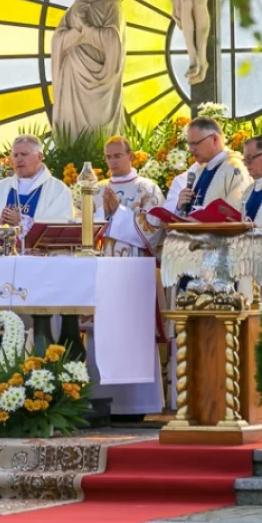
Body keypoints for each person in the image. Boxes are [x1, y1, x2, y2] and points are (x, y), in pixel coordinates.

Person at [90, 136, 167, 416]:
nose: (112, 162)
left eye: (117, 156)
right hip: (101, 271)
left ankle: (136, 404)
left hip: (133, 271)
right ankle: (99, 399)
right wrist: (104, 215)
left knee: (133, 332)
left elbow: (153, 230)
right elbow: (82, 228)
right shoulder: (95, 189)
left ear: (130, 156)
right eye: (108, 157)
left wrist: (117, 214)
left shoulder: (147, 188)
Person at [51, 0, 125, 141]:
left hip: (102, 77)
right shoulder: (75, 9)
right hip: (74, 73)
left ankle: (105, 157)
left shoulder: (113, 5)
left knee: (99, 123)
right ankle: (71, 158)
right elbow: (57, 40)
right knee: (74, 126)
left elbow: (114, 40)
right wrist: (77, 34)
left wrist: (88, 30)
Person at [0, 135, 74, 237]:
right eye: (15, 155)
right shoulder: (1, 188)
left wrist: (23, 222)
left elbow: (60, 227)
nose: (19, 159)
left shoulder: (58, 190)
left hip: (38, 252)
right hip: (3, 251)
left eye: (24, 154)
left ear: (40, 156)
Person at [164, 117, 252, 214]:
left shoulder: (235, 169)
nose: (191, 150)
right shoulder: (200, 171)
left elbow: (238, 213)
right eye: (189, 144)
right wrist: (180, 207)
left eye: (195, 144)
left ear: (214, 139)